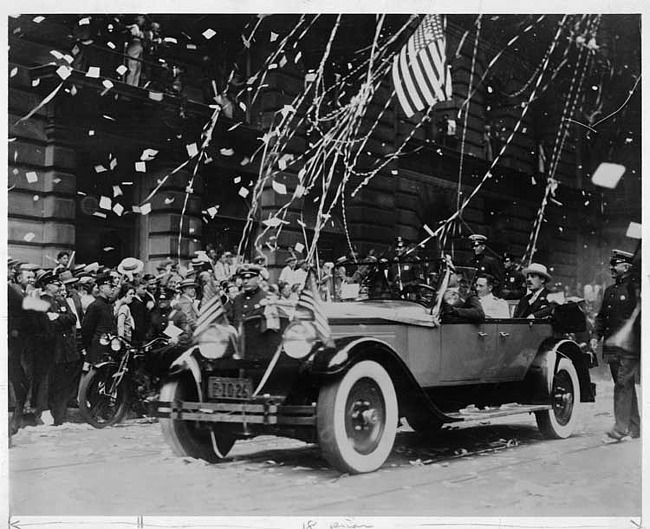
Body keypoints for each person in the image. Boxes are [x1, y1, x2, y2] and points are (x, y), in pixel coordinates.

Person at [590, 249, 640, 441]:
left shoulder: (635, 289)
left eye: (615, 264)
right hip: (611, 348)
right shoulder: (610, 291)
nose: (611, 268)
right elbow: (601, 317)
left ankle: (620, 428)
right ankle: (635, 427)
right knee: (624, 384)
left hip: (629, 347)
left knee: (622, 384)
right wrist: (596, 335)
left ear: (626, 267)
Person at [41, 272, 81, 426]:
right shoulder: (41, 301)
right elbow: (45, 324)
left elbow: (73, 318)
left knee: (63, 382)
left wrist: (57, 317)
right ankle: (50, 413)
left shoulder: (61, 300)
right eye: (56, 284)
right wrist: (60, 319)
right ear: (48, 286)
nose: (59, 287)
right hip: (53, 347)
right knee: (51, 382)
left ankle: (60, 415)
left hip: (66, 348)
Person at [81, 274, 117, 366]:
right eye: (111, 286)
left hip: (108, 347)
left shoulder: (108, 305)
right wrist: (90, 349)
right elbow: (87, 330)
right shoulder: (95, 306)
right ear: (101, 288)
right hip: (97, 348)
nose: (113, 289)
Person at [125, 15, 147, 87]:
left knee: (138, 67)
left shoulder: (141, 30)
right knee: (132, 67)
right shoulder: (134, 27)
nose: (143, 20)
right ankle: (129, 85)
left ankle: (135, 85)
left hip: (140, 48)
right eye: (142, 18)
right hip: (134, 47)